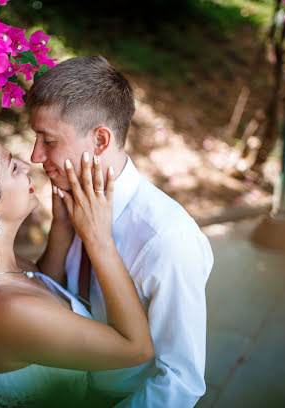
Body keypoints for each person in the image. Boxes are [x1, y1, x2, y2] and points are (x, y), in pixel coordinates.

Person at [0, 123, 153, 407]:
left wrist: (61, 225)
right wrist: (99, 240)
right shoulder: (5, 309)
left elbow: (43, 288)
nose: (27, 164)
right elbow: (136, 350)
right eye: (13, 167)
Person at [27, 56, 214, 407]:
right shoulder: (71, 198)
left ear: (100, 141)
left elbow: (179, 382)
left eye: (48, 140)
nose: (36, 156)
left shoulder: (167, 240)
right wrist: (61, 232)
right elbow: (51, 296)